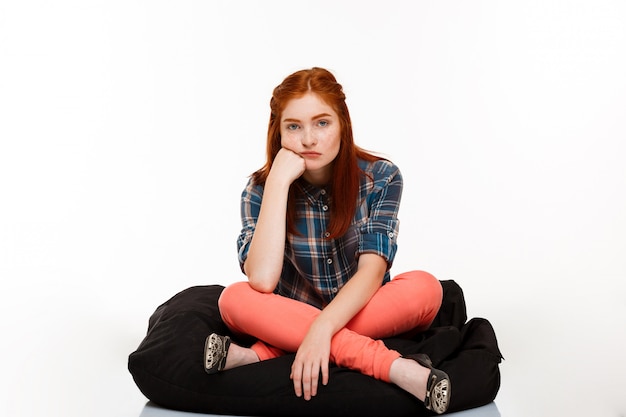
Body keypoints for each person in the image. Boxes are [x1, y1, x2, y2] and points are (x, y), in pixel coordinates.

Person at [205, 67, 451, 414]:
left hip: (362, 308)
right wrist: (277, 183)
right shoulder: (259, 190)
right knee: (233, 299)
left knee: (426, 288)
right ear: (278, 132)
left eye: (322, 123)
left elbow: (372, 271)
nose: (308, 139)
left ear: (342, 125)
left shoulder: (381, 177)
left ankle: (265, 353)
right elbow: (261, 279)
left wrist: (322, 328)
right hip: (288, 310)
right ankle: (394, 367)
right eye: (294, 126)